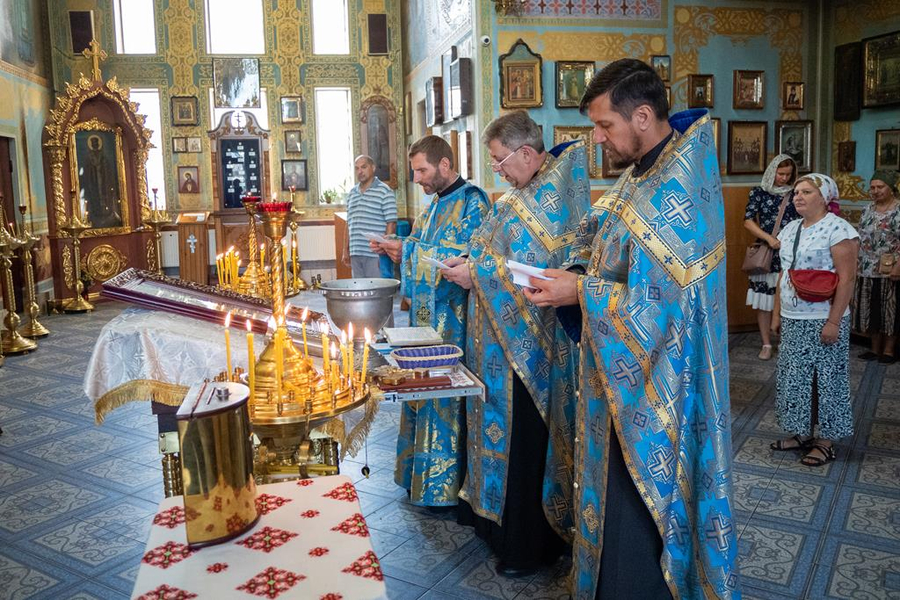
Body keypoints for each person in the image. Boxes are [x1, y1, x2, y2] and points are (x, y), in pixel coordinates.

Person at [523, 58, 740, 598]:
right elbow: (597, 239)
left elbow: (668, 304)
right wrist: (571, 270)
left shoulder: (679, 187)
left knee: (640, 515)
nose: (598, 139)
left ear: (642, 116)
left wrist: (581, 292)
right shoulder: (636, 176)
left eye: (605, 126)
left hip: (661, 387)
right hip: (618, 373)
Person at [440, 110, 587, 575]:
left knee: (527, 442)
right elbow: (494, 247)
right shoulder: (521, 191)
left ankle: (529, 546)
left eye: (501, 161)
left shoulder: (552, 198)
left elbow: (538, 271)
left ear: (527, 152)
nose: (497, 171)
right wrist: (469, 259)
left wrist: (477, 272)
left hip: (532, 351)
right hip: (497, 346)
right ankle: (493, 525)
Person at [371, 135, 490, 508]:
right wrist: (397, 248)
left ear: (444, 165)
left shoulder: (474, 201)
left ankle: (445, 489)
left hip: (453, 322)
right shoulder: (434, 205)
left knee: (444, 397)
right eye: (414, 171)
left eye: (422, 170)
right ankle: (418, 479)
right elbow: (419, 247)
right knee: (419, 390)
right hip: (425, 320)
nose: (418, 179)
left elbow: (466, 257)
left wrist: (407, 250)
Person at [771, 174, 859, 467]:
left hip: (823, 318)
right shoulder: (790, 228)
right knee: (795, 378)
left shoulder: (839, 230)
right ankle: (802, 433)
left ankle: (826, 441)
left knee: (826, 379)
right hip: (793, 317)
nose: (798, 197)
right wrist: (776, 314)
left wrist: (834, 322)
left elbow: (847, 280)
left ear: (825, 197)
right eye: (796, 192)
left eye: (806, 192)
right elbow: (784, 274)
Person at [743, 154, 800, 360]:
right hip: (768, 254)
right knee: (764, 301)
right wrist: (769, 238)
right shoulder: (759, 192)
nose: (784, 178)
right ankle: (766, 343)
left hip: (791, 253)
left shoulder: (796, 193)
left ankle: (787, 342)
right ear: (772, 171)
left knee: (788, 299)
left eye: (788, 174)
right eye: (780, 173)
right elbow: (748, 221)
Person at [853, 171, 900, 363]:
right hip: (866, 268)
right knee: (870, 309)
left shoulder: (898, 210)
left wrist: (899, 266)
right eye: (872, 187)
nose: (875, 191)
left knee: (891, 310)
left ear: (891, 188)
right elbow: (860, 236)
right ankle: (874, 349)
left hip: (891, 269)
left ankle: (888, 351)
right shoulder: (867, 209)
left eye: (880, 187)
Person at [344, 155, 397, 284]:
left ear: (373, 168)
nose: (360, 171)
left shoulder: (385, 191)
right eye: (357, 168)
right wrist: (345, 250)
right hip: (356, 252)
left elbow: (391, 223)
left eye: (363, 167)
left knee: (376, 292)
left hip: (375, 254)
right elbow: (348, 224)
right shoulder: (352, 193)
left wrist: (386, 250)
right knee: (359, 293)